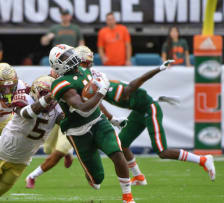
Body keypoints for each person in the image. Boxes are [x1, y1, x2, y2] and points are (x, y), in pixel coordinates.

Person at [78, 46, 216, 186]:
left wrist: (158, 69)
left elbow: (134, 84)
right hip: (139, 111)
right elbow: (96, 103)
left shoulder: (113, 89)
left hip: (150, 109)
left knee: (162, 151)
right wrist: (112, 118)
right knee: (122, 145)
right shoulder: (100, 88)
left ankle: (203, 160)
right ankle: (138, 177)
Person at [49, 44, 135, 203]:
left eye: (69, 53)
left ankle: (128, 197)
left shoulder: (85, 71)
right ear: (58, 64)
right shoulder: (60, 84)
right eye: (65, 57)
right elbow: (82, 107)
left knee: (117, 152)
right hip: (78, 132)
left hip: (98, 121)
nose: (71, 56)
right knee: (97, 180)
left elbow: (94, 102)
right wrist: (101, 92)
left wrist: (111, 117)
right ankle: (91, 174)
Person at [0, 75, 62, 203]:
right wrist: (47, 98)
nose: (49, 99)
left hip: (23, 158)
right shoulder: (24, 99)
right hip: (2, 150)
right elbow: (27, 113)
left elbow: (67, 123)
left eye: (51, 95)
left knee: (0, 189)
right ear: (36, 91)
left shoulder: (57, 108)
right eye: (44, 94)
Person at [25, 70, 74, 189]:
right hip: (54, 115)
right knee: (47, 149)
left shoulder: (75, 79)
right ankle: (67, 152)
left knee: (60, 149)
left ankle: (32, 176)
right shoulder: (47, 81)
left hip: (67, 118)